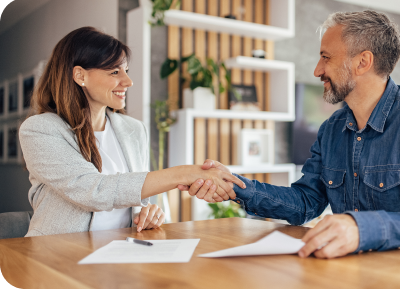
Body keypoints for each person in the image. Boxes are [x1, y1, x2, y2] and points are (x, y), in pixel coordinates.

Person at [180, 10, 400, 258]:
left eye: (326, 57)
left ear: (362, 62)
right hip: (368, 269)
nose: (318, 70)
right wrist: (236, 186)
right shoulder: (332, 128)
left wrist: (358, 228)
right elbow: (306, 202)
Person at [19, 27, 245, 237]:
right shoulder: (40, 130)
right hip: (56, 257)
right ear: (80, 76)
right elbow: (95, 191)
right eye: (115, 71)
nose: (128, 81)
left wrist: (145, 213)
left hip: (120, 253)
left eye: (126, 71)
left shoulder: (133, 129)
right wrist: (185, 173)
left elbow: (136, 193)